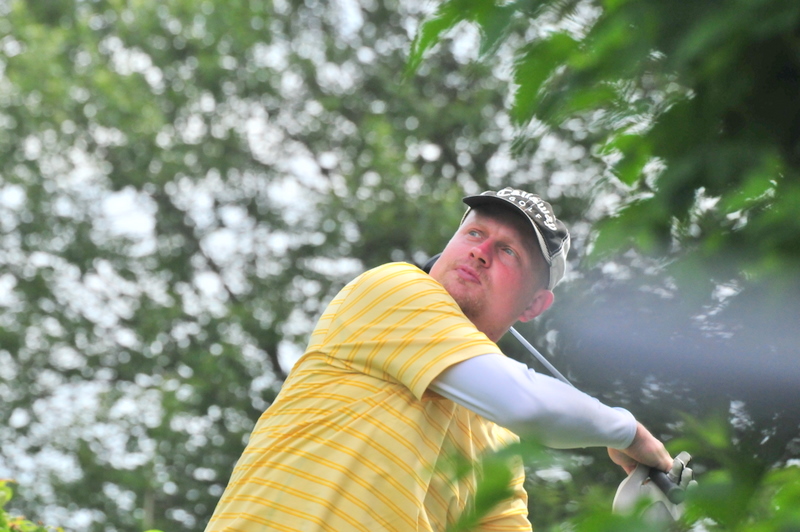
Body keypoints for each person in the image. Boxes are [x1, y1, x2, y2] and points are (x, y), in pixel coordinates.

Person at [205, 187, 673, 532]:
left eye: (508, 251)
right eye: (474, 233)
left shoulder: (498, 444)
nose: (481, 252)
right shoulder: (392, 291)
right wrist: (631, 433)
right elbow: (528, 404)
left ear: (533, 305)